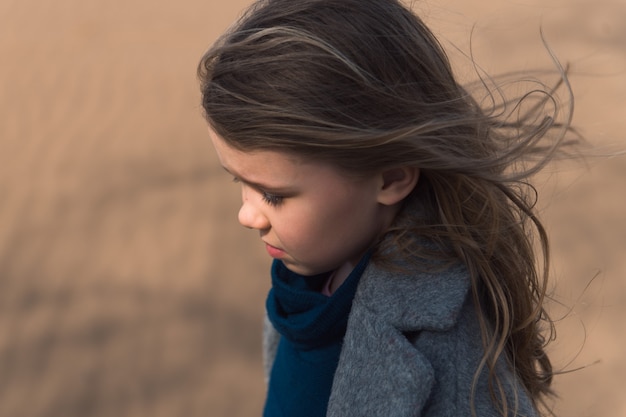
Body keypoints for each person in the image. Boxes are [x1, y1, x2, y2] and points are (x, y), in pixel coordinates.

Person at [197, 0, 574, 415]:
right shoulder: (308, 281)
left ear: (391, 178)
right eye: (241, 183)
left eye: (273, 195)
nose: (247, 215)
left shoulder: (448, 351)